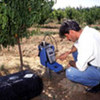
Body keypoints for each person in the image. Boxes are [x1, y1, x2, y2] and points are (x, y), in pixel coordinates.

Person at [57, 20, 100, 93]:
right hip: (97, 61)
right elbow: (76, 45)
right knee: (75, 51)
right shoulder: (88, 32)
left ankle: (96, 84)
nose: (68, 39)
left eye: (67, 36)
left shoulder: (86, 43)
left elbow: (80, 67)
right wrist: (68, 52)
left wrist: (71, 63)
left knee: (70, 73)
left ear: (71, 32)